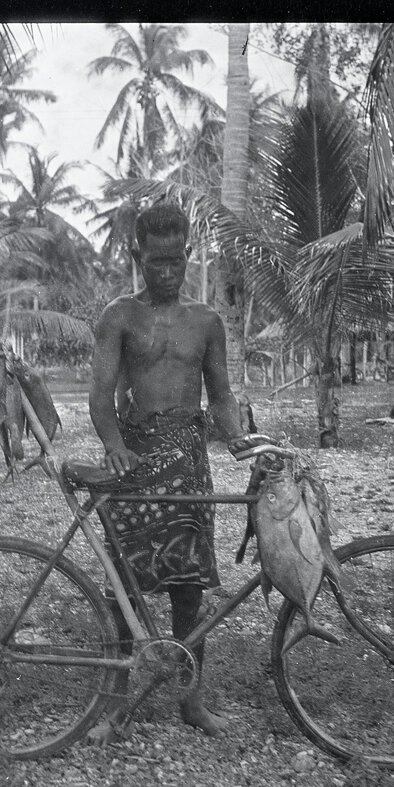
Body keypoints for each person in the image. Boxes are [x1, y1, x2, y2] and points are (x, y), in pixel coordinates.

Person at [88, 201, 261, 741]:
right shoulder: (119, 316)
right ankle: (115, 705)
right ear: (138, 255)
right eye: (155, 262)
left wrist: (238, 437)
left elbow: (223, 395)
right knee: (124, 590)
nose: (166, 272)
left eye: (175, 261)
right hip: (134, 463)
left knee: (189, 590)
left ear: (188, 254)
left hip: (188, 463)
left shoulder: (206, 322)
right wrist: (114, 445)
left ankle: (191, 701)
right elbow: (99, 397)